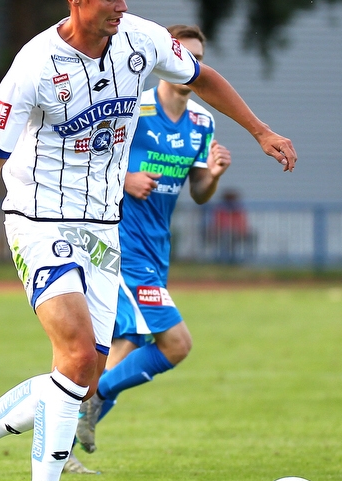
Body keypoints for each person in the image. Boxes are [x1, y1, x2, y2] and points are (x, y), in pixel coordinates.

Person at [0, 0, 296, 481]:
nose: (122, 6)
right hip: (38, 222)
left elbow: (203, 77)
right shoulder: (34, 65)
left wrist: (259, 130)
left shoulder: (142, 40)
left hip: (104, 228)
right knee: (75, 356)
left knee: (83, 377)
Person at [72, 24, 231, 457]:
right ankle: (94, 396)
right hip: (121, 243)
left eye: (197, 60)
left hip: (157, 246)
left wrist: (213, 177)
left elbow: (198, 192)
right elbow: (87, 155)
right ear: (166, 62)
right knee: (176, 343)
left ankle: (64, 448)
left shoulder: (202, 121)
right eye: (183, 58)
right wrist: (126, 178)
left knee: (130, 343)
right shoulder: (134, 107)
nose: (189, 68)